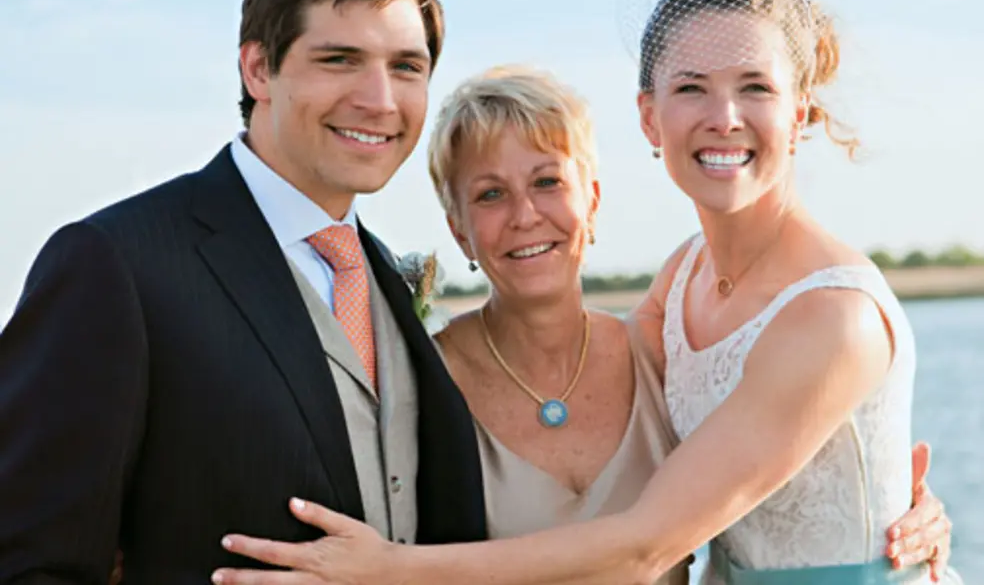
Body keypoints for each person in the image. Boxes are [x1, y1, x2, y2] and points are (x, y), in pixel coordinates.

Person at [211, 44, 958, 585]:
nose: (525, 216)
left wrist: (895, 513)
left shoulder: (660, 342)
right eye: (490, 195)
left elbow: (770, 445)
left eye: (547, 182)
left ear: (591, 202)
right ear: (459, 231)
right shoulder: (421, 379)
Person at [0, 0, 487, 582]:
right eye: (340, 59)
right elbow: (28, 564)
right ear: (258, 69)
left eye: (406, 66)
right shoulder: (115, 263)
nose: (380, 100)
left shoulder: (383, 273)